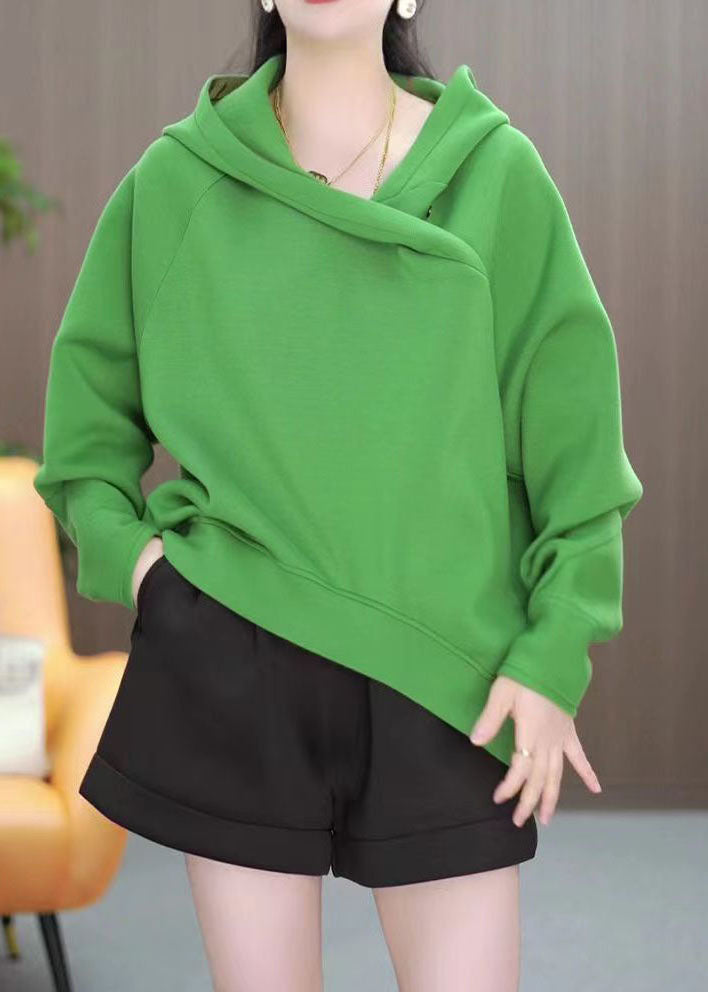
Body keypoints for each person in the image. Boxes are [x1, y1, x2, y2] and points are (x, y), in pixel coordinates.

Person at [33, 1, 644, 989]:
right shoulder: (177, 181)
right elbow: (83, 438)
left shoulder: (498, 174)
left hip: (442, 667)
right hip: (234, 655)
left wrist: (552, 653)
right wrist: (149, 574)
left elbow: (578, 460)